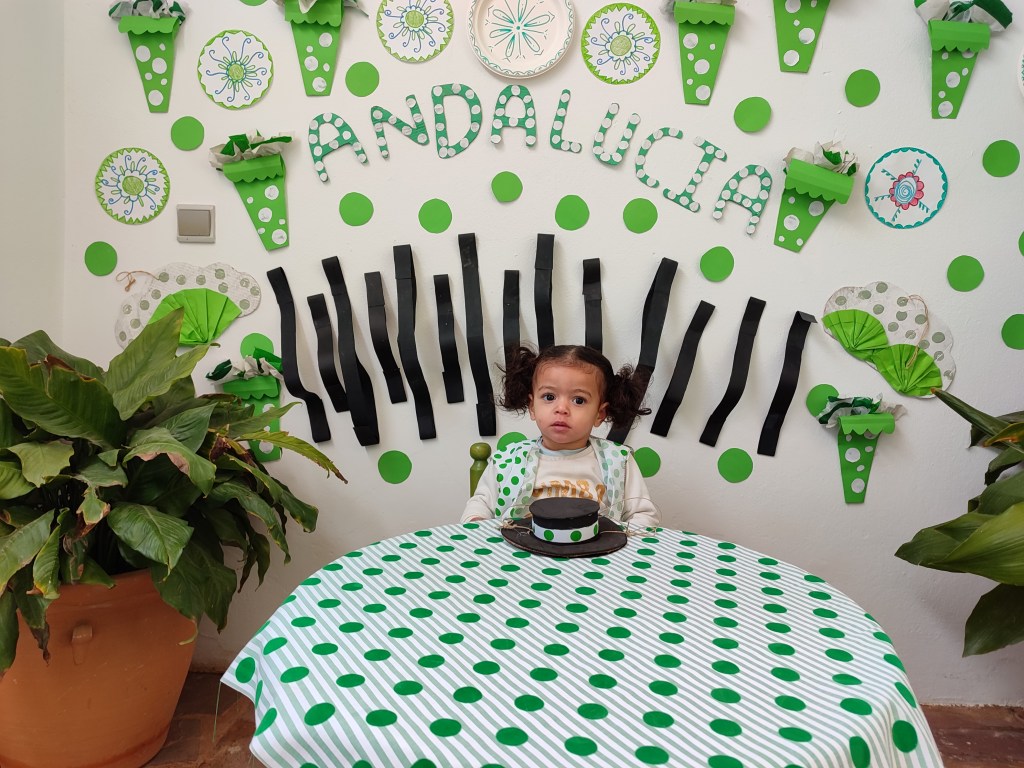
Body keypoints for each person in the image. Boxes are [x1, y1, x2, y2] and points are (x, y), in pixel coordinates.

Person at [462, 345, 660, 530]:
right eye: (549, 397)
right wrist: (477, 522)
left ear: (600, 413)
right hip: (520, 551)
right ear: (532, 407)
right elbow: (481, 504)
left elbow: (643, 515)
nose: (561, 409)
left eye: (579, 400)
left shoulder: (619, 461)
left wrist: (622, 541)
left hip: (594, 552)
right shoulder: (508, 459)